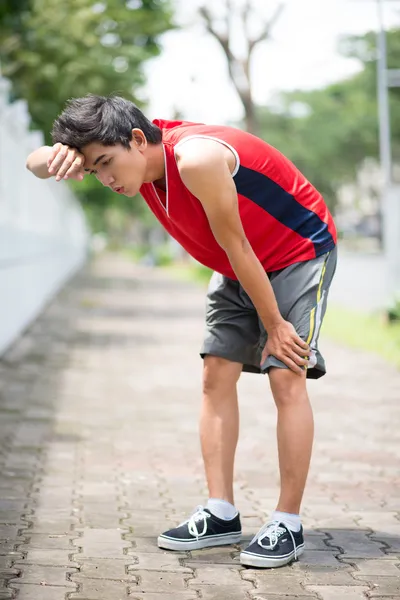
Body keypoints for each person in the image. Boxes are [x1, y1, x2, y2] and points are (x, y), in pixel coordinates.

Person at [26, 94, 337, 569]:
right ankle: (221, 512)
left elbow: (236, 243)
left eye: (107, 164)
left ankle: (287, 522)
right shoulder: (139, 165)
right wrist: (62, 158)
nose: (106, 180)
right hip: (237, 262)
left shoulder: (196, 159)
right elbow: (33, 164)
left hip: (295, 249)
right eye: (94, 171)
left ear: (136, 139)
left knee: (285, 373)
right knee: (215, 374)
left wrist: (274, 325)